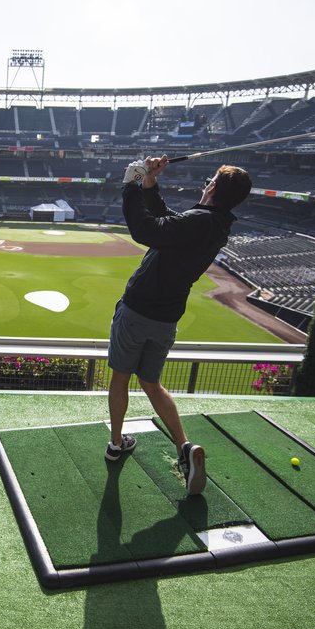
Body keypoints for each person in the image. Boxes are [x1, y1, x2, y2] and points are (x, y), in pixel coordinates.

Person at [105, 155, 251, 496]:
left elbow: (146, 230)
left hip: (138, 309)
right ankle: (184, 446)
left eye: (210, 180)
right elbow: (169, 223)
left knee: (121, 377)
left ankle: (116, 443)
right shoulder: (214, 223)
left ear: (212, 187)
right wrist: (150, 184)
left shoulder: (200, 219)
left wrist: (129, 186)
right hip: (166, 319)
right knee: (152, 383)